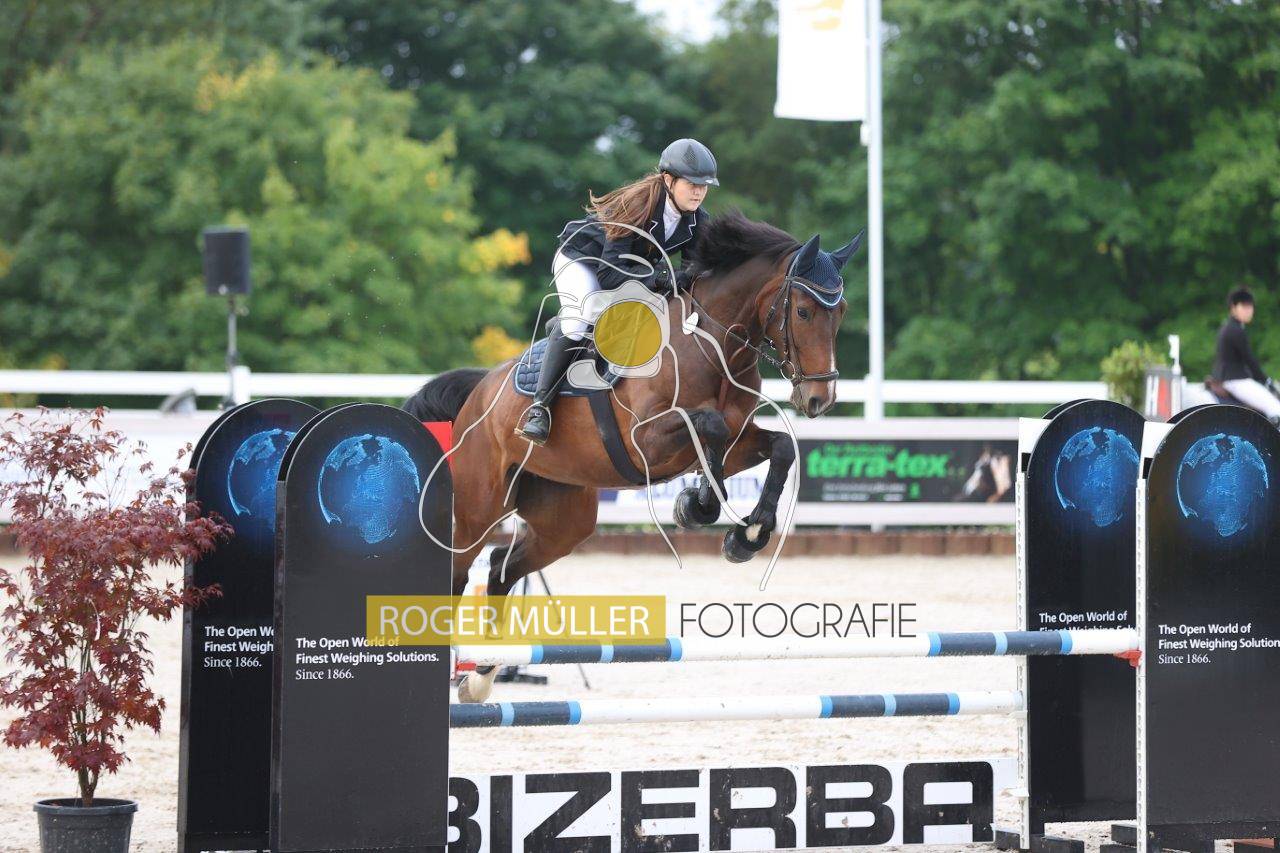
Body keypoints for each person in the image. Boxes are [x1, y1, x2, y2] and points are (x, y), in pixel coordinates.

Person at [516, 138, 718, 444]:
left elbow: (691, 274)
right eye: (692, 184)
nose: (699, 192)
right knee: (580, 317)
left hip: (627, 268)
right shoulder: (635, 205)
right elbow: (609, 276)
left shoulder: (697, 220)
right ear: (668, 180)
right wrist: (662, 278)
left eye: (704, 186)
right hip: (582, 260)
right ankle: (539, 408)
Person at [1213, 287, 1280, 423]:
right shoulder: (1235, 330)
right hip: (1236, 380)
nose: (1248, 310)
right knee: (1275, 408)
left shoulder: (1229, 327)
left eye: (1250, 307)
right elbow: (1250, 360)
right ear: (1233, 307)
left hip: (1231, 378)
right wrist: (1266, 381)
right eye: (1244, 306)